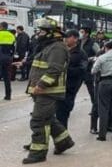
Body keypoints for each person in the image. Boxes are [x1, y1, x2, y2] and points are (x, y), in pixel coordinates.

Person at [22, 19, 74, 164]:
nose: (39, 34)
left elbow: (54, 69)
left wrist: (41, 85)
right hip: (43, 91)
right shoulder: (48, 46)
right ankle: (64, 142)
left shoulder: (57, 48)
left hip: (48, 91)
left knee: (38, 121)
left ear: (52, 33)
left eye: (42, 31)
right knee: (49, 119)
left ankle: (38, 153)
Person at [55, 30, 87, 128]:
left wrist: (65, 70)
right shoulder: (62, 50)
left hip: (69, 89)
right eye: (65, 37)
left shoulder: (80, 54)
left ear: (76, 39)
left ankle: (63, 140)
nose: (66, 39)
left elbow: (82, 70)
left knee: (62, 117)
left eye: (68, 37)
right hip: (57, 88)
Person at [0, 21, 15, 100]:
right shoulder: (11, 35)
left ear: (1, 27)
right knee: (7, 78)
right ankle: (8, 95)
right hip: (8, 59)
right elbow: (13, 48)